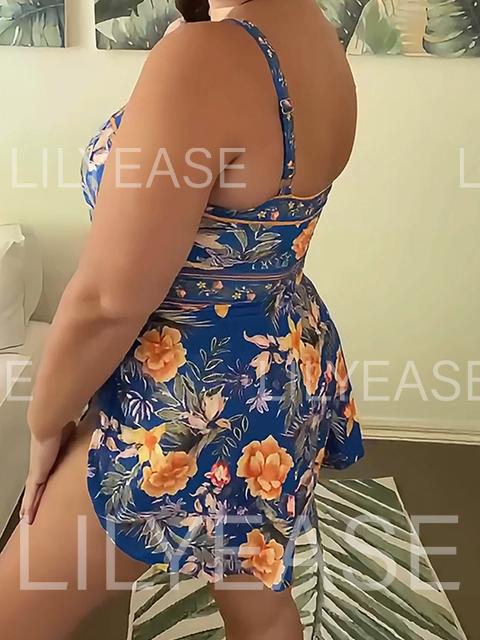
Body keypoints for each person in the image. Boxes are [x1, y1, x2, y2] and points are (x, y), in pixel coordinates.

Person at [0, 1, 364, 638]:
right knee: (258, 608)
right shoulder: (308, 27)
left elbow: (107, 301)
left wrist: (43, 421)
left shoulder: (209, 56)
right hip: (281, 364)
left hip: (188, 399)